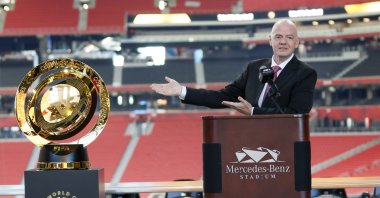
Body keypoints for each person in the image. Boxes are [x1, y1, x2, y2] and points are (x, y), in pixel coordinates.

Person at [151, 19, 317, 115]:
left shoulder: (305, 73)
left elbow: (297, 113)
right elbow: (223, 96)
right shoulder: (254, 68)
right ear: (270, 40)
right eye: (278, 36)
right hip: (250, 142)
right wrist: (182, 91)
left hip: (285, 147)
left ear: (296, 42)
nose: (283, 42)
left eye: (289, 37)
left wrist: (252, 112)